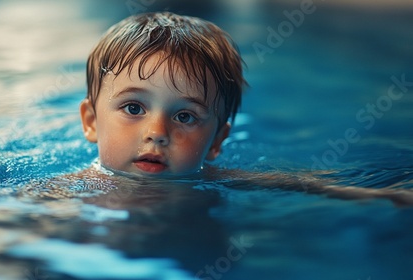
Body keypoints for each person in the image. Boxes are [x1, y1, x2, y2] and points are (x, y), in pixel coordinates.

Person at [74, 11, 412, 206]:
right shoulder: (67, 194)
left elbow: (306, 186)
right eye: (134, 108)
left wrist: (385, 197)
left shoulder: (220, 181)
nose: (157, 134)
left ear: (217, 140)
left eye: (185, 116)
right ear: (91, 122)